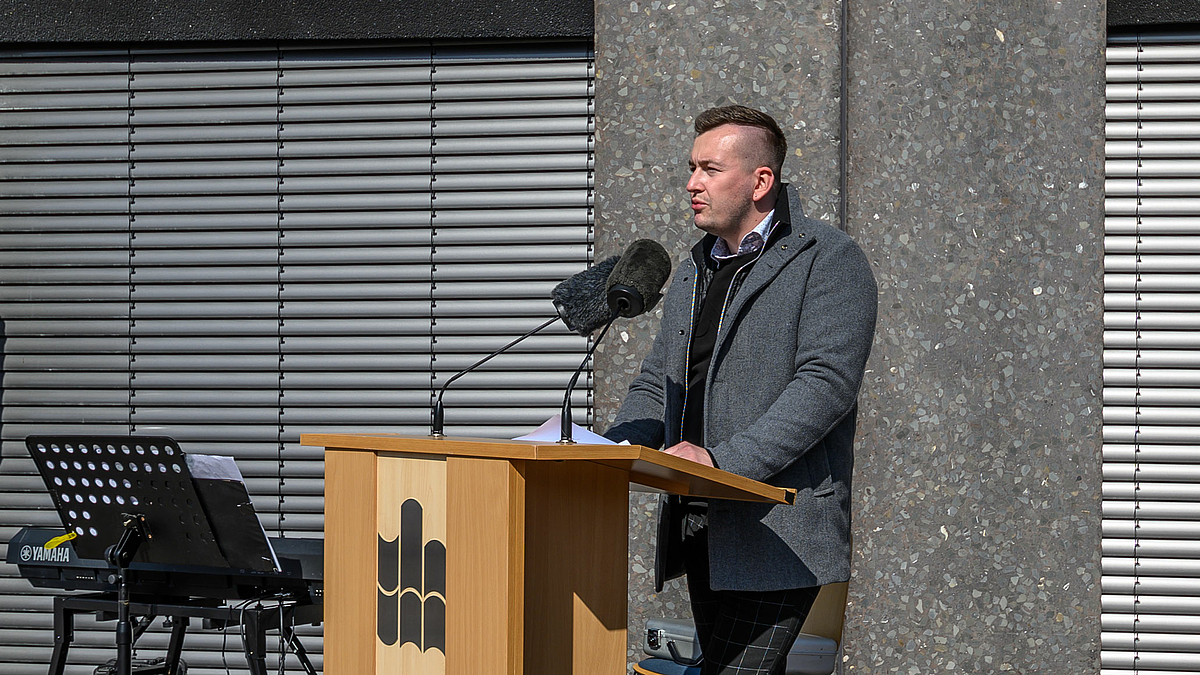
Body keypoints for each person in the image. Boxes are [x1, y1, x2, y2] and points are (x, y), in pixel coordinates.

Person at [603, 105, 877, 674]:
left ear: (760, 180)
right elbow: (661, 380)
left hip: (778, 529)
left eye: (709, 168)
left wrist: (722, 462)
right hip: (702, 523)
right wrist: (612, 449)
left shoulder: (827, 260)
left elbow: (825, 386)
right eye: (692, 167)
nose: (691, 183)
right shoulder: (694, 269)